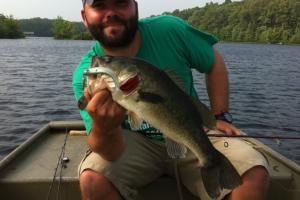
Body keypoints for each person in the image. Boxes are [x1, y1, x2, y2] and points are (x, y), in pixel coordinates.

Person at [72, 0, 270, 199]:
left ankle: (210, 161)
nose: (111, 13)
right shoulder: (85, 76)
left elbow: (214, 62)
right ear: (85, 17)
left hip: (193, 133)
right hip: (133, 144)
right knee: (92, 180)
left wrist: (219, 115)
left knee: (252, 172)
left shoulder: (170, 30)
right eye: (99, 5)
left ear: (135, 7)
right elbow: (111, 153)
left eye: (121, 3)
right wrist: (104, 127)